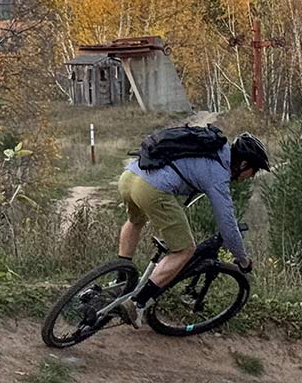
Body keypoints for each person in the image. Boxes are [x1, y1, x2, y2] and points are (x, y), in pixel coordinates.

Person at [111, 128, 270, 324]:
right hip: (151, 189)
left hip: (130, 176)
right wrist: (243, 260)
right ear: (244, 164)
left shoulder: (210, 149)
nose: (251, 176)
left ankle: (120, 281)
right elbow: (228, 226)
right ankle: (137, 304)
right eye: (253, 171)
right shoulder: (218, 173)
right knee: (185, 250)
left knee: (136, 221)